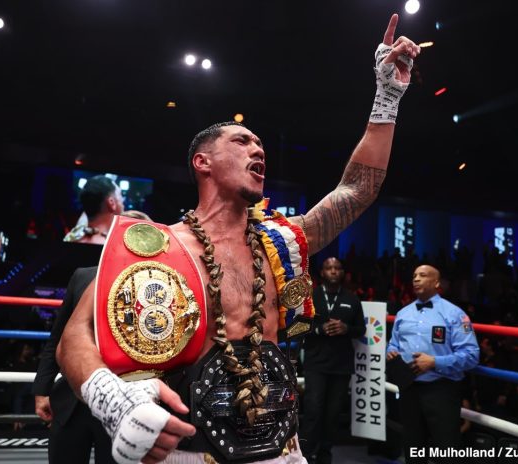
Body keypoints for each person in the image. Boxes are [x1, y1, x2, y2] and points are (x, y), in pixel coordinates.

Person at [57, 14, 420, 464]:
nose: (258, 149)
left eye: (260, 144)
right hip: (190, 448)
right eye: (242, 141)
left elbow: (357, 190)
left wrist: (387, 97)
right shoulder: (159, 248)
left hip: (279, 446)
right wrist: (114, 402)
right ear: (202, 162)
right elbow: (74, 336)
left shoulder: (281, 242)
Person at [386, 265, 479, 463]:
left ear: (437, 283)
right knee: (412, 447)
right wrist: (391, 352)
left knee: (447, 449)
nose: (416, 279)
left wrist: (435, 362)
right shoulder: (403, 313)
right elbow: (393, 343)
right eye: (414, 276)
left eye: (423, 275)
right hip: (409, 387)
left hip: (442, 389)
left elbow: (472, 355)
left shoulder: (455, 314)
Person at [33, 267, 117, 463]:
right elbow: (58, 336)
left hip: (120, 401)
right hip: (72, 399)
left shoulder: (153, 275)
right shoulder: (84, 276)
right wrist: (42, 390)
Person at [300, 257, 365, 464]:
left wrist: (346, 329)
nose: (334, 271)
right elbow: (298, 326)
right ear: (322, 272)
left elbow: (361, 330)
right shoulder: (311, 296)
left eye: (337, 268)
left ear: (343, 272)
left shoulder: (352, 299)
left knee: (333, 414)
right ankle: (306, 454)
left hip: (341, 365)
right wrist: (320, 329)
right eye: (329, 268)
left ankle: (325, 454)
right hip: (316, 363)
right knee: (313, 410)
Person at [64, 175, 125, 244]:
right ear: (111, 203)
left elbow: (91, 201)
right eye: (120, 195)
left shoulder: (76, 233)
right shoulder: (111, 246)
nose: (123, 200)